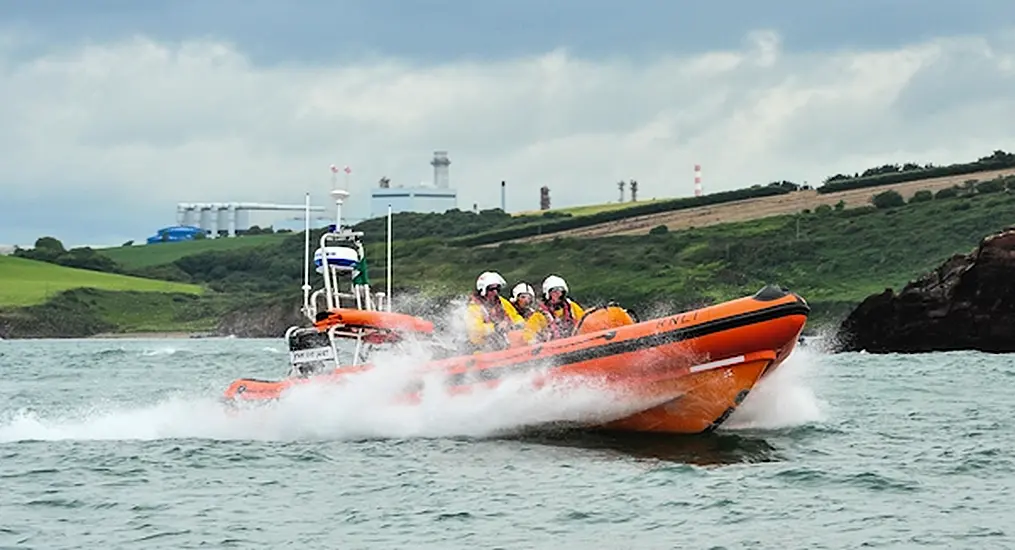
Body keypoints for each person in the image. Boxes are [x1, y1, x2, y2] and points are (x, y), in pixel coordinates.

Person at [463, 271, 523, 351]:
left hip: (501, 343)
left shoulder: (501, 302)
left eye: (497, 288)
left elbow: (515, 317)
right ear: (483, 290)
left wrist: (517, 324)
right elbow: (475, 330)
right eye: (491, 289)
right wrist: (496, 327)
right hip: (480, 347)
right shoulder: (475, 307)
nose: (495, 292)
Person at [523, 274, 585, 342]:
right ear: (547, 294)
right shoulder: (540, 315)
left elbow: (584, 320)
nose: (558, 294)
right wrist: (534, 342)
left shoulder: (572, 307)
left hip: (575, 341)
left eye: (561, 291)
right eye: (554, 291)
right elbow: (529, 332)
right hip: (552, 346)